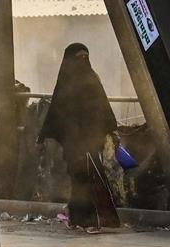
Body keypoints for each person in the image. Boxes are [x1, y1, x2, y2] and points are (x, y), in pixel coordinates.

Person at [37, 43, 120, 230]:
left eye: (86, 58)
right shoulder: (65, 82)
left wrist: (108, 129)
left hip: (90, 141)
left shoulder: (91, 79)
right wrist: (45, 135)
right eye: (79, 58)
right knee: (79, 179)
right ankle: (82, 218)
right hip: (73, 142)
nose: (83, 62)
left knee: (90, 177)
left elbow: (102, 107)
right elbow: (56, 112)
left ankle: (90, 218)